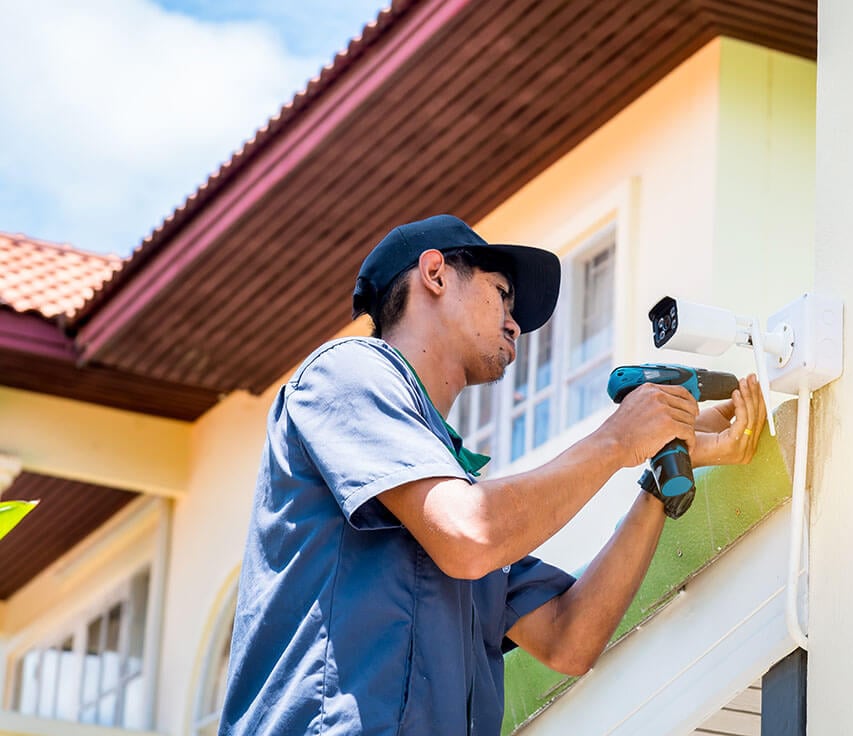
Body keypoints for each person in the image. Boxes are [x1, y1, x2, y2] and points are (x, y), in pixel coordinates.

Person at [220, 214, 767, 735]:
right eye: (502, 293)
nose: (516, 322)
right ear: (434, 274)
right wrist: (617, 439)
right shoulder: (347, 372)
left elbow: (569, 637)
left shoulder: (458, 492)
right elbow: (470, 534)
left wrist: (657, 478)